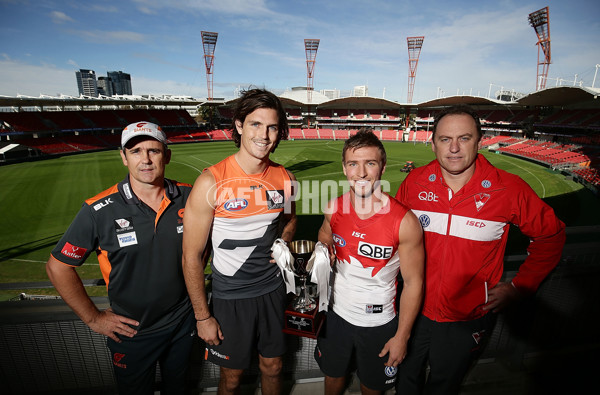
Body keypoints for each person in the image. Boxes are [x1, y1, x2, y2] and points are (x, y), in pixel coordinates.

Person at [394, 104, 566, 394]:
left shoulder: (508, 189)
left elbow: (551, 235)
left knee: (443, 386)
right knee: (404, 381)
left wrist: (520, 286)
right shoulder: (414, 182)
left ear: (479, 140)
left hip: (467, 317)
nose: (454, 148)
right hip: (412, 310)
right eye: (445, 139)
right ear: (433, 143)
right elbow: (393, 237)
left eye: (464, 138)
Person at [46, 122, 195, 395]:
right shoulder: (98, 210)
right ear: (124, 157)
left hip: (182, 322)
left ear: (167, 156)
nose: (146, 160)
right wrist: (93, 318)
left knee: (180, 388)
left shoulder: (189, 195)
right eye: (136, 151)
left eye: (154, 151)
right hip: (131, 332)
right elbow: (58, 267)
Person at [182, 88, 297, 395]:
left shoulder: (286, 179)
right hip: (230, 298)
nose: (265, 134)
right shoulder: (212, 181)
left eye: (272, 127)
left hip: (273, 291)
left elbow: (291, 219)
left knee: (272, 367)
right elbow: (191, 256)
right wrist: (203, 316)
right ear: (239, 125)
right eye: (256, 124)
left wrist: (283, 241)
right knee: (231, 379)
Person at [315, 128, 425, 394]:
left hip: (379, 324)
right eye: (353, 164)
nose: (361, 173)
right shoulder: (333, 207)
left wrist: (402, 336)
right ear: (344, 168)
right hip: (336, 317)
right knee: (332, 380)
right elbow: (324, 235)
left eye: (370, 163)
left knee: (372, 389)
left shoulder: (405, 222)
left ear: (383, 168)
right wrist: (324, 249)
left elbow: (413, 283)